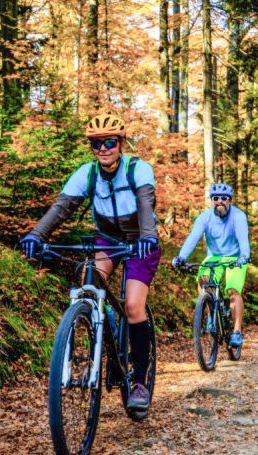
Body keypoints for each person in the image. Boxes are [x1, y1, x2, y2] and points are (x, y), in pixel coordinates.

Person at [20, 113, 160, 411]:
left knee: (134, 306)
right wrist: (36, 235)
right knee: (89, 279)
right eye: (97, 143)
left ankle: (139, 381)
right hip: (107, 239)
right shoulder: (87, 173)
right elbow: (61, 209)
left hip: (139, 241)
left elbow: (146, 206)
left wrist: (148, 236)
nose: (103, 148)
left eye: (110, 142)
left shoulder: (139, 170)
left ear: (121, 144)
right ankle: (101, 317)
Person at [172, 183, 250, 348]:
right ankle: (210, 309)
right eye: (216, 198)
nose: (219, 201)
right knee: (203, 280)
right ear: (211, 201)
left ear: (229, 200)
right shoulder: (205, 217)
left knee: (233, 291)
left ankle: (236, 331)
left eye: (224, 198)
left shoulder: (238, 216)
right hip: (213, 257)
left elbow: (244, 240)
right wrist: (181, 257)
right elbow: (193, 237)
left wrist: (244, 256)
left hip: (235, 258)